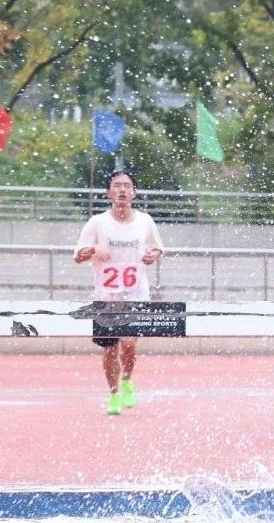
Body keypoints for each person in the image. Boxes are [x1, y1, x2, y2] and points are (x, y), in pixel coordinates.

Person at [72, 171, 165, 416]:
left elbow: (158, 248)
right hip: (106, 296)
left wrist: (152, 255)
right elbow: (78, 256)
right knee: (110, 348)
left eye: (127, 186)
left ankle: (127, 379)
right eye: (117, 186)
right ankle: (114, 394)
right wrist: (93, 249)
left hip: (135, 294)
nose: (122, 190)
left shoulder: (145, 221)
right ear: (108, 193)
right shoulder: (97, 222)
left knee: (129, 343)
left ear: (134, 193)